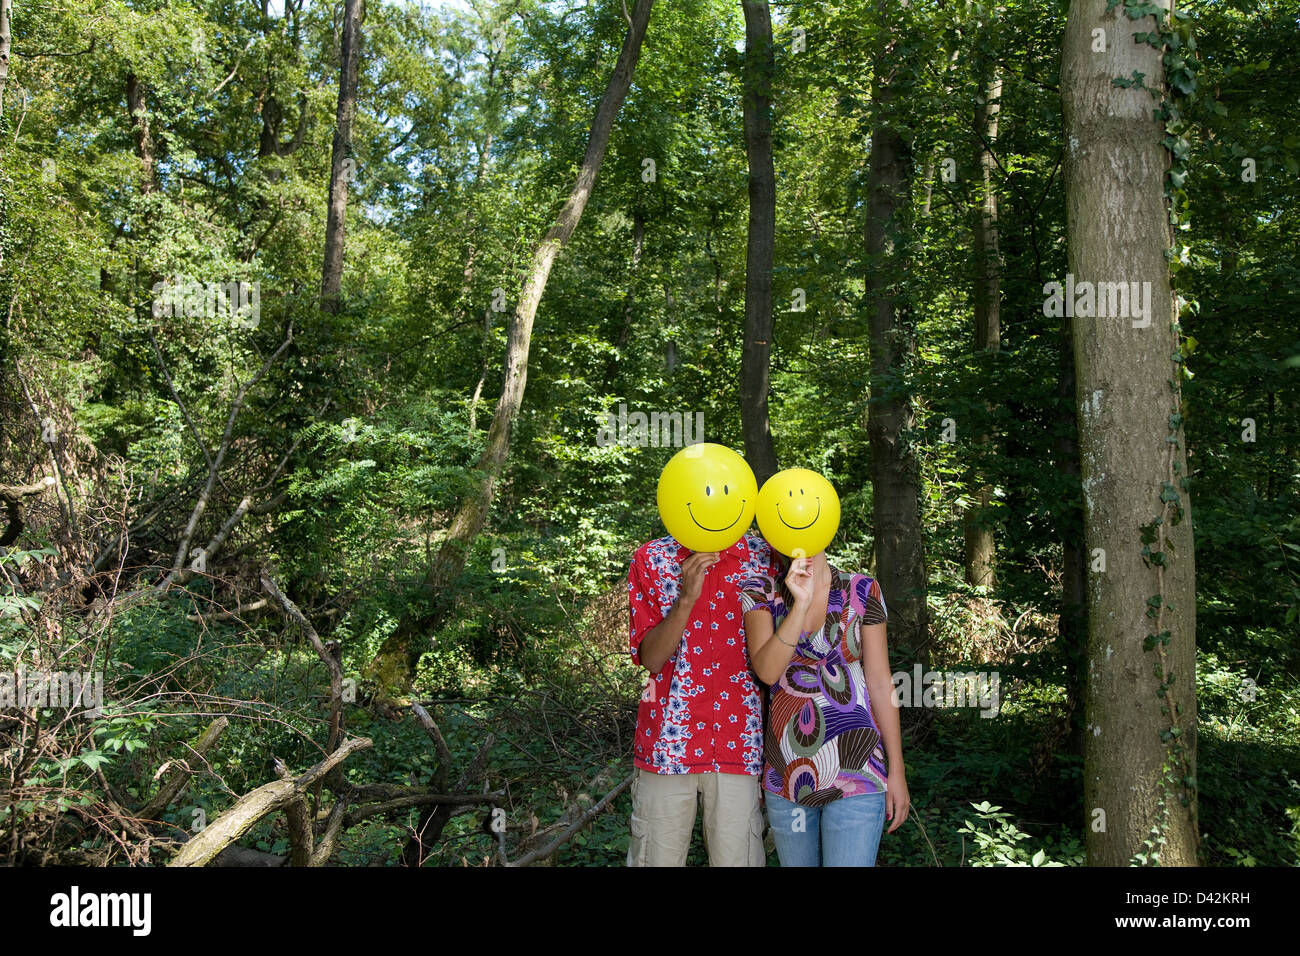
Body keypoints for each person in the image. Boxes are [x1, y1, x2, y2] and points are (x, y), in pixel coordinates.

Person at [741, 550, 909, 866]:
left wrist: (897, 770)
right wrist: (800, 604)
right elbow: (767, 671)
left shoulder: (862, 589)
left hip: (858, 774)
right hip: (787, 779)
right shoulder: (760, 590)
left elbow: (880, 683)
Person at [625, 530, 782, 866]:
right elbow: (651, 660)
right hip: (667, 746)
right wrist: (685, 599)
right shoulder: (651, 558)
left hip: (739, 743)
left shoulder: (764, 556)